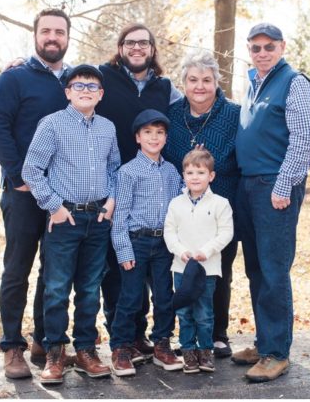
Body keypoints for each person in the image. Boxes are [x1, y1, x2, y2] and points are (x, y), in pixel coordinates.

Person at [0, 8, 73, 379]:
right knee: (18, 268)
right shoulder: (14, 78)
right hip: (22, 193)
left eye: (59, 32)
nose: (52, 37)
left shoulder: (75, 80)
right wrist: (21, 176)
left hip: (62, 195)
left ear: (68, 37)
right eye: (46, 31)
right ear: (35, 34)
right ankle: (12, 347)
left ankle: (43, 338)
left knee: (54, 271)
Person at [21, 64, 119, 384]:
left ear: (101, 94)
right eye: (79, 85)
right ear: (68, 92)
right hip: (65, 219)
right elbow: (32, 170)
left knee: (90, 290)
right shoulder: (52, 124)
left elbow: (115, 168)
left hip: (98, 219)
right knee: (57, 289)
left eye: (92, 86)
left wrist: (111, 201)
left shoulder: (107, 127)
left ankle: (87, 350)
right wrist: (55, 207)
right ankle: (55, 352)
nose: (86, 91)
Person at [232, 23, 310, 383]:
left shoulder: (294, 83)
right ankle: (265, 342)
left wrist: (283, 186)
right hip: (248, 186)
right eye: (256, 47)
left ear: (282, 47)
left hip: (274, 188)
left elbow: (304, 142)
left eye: (269, 47)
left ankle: (277, 353)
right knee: (256, 269)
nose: (262, 52)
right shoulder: (254, 83)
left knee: (273, 270)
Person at [95, 23, 182, 360]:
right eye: (129, 43)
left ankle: (142, 337)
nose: (136, 48)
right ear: (120, 47)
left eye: (143, 43)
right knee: (120, 274)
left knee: (156, 285)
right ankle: (122, 339)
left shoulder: (164, 87)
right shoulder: (104, 76)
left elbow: (195, 99)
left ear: (152, 48)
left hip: (154, 184)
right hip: (113, 181)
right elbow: (74, 85)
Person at [163, 49, 241, 358]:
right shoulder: (172, 115)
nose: (199, 86)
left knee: (217, 272)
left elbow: (242, 158)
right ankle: (184, 337)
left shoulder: (234, 114)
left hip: (220, 206)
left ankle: (217, 333)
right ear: (183, 82)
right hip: (181, 209)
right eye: (193, 79)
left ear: (216, 82)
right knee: (179, 271)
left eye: (206, 80)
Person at [109, 109, 184, 377]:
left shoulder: (172, 171)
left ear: (165, 138)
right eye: (148, 133)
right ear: (138, 137)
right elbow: (120, 215)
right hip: (136, 242)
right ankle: (121, 347)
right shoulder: (128, 172)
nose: (154, 137)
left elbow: (180, 204)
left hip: (164, 244)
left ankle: (162, 344)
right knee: (130, 298)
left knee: (165, 297)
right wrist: (123, 248)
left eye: (159, 133)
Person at [163, 148, 234, 374]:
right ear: (184, 175)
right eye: (190, 172)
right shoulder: (176, 204)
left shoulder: (220, 204)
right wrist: (181, 251)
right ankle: (188, 351)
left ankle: (205, 351)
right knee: (184, 312)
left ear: (211, 176)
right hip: (181, 267)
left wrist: (206, 250)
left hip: (207, 268)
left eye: (201, 172)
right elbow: (169, 232)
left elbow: (225, 233)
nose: (195, 177)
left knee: (204, 313)